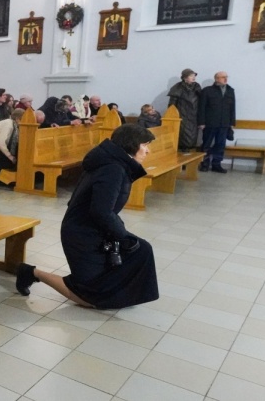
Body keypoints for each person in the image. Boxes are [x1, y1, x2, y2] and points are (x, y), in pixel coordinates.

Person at [15, 124, 159, 309]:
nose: (148, 150)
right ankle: (31, 273)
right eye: (145, 145)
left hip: (93, 228)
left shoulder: (114, 163)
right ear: (131, 144)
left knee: (142, 250)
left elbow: (104, 210)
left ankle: (116, 293)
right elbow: (101, 211)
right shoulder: (113, 168)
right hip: (82, 233)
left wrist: (121, 233)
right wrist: (124, 237)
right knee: (90, 296)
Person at [198, 71, 235, 173]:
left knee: (220, 145)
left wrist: (231, 123)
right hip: (210, 123)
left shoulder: (230, 90)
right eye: (223, 77)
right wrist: (201, 122)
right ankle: (204, 164)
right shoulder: (207, 91)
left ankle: (216, 164)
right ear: (217, 79)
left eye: (226, 77)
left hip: (224, 124)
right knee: (206, 144)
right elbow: (201, 107)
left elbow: (232, 108)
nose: (225, 79)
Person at [167, 68, 202, 151]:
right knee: (183, 139)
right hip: (182, 117)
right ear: (185, 77)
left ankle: (188, 156)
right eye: (191, 76)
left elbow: (201, 102)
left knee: (192, 139)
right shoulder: (177, 88)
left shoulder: (197, 87)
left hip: (194, 118)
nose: (193, 77)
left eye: (194, 76)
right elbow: (172, 106)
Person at [0, 108, 23, 179]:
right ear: (17, 119)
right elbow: (0, 142)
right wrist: (10, 156)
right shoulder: (8, 124)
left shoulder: (14, 125)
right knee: (7, 160)